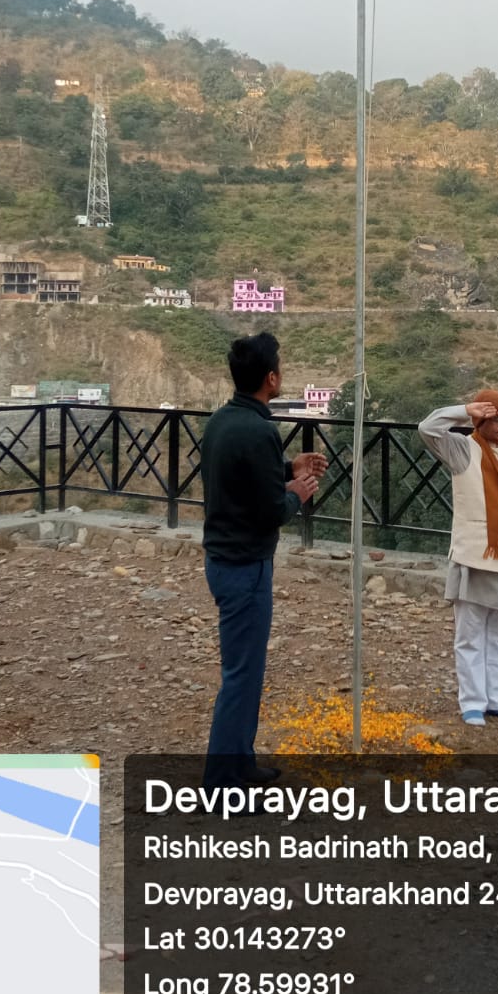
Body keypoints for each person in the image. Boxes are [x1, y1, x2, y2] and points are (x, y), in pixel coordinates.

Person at [201, 331, 327, 788]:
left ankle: (241, 765)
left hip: (222, 559)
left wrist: (287, 469)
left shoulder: (222, 421)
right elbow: (272, 510)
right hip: (245, 566)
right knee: (242, 677)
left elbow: (240, 479)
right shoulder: (260, 430)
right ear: (272, 378)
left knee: (243, 672)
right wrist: (296, 491)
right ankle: (223, 782)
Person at [418, 389, 498, 727]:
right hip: (475, 557)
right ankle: (472, 702)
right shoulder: (463, 451)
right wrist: (463, 410)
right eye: (496, 419)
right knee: (470, 634)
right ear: (479, 422)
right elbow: (427, 428)